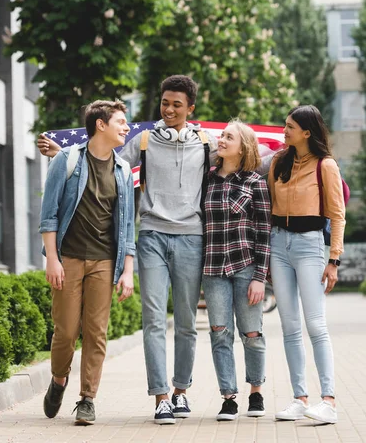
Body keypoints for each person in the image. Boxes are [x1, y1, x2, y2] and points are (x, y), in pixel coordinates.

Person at [38, 75, 275, 425]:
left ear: (190, 108)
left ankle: (181, 392)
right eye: (165, 103)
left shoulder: (206, 143)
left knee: (185, 323)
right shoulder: (144, 140)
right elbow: (103, 158)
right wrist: (61, 154)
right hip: (151, 237)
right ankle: (161, 397)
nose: (169, 109)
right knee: (152, 322)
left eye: (177, 104)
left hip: (192, 239)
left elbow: (242, 158)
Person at [39, 100, 135, 425]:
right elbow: (48, 214)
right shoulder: (66, 161)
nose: (126, 127)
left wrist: (128, 271)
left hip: (104, 261)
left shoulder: (123, 171)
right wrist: (52, 258)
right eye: (121, 121)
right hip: (68, 259)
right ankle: (59, 379)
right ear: (101, 125)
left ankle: (87, 399)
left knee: (96, 333)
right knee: (66, 331)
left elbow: (128, 227)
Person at [268, 105, 345, 424]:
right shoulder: (278, 161)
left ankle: (328, 400)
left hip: (310, 246)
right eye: (285, 125)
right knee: (289, 325)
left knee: (315, 324)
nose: (284, 131)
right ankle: (300, 397)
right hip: (278, 244)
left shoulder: (325, 165)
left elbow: (337, 214)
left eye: (289, 127)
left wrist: (334, 260)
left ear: (307, 132)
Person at [202, 119, 271, 421]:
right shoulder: (207, 179)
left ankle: (256, 392)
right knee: (220, 333)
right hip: (213, 267)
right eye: (222, 135)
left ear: (243, 147)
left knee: (251, 333)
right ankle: (228, 397)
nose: (222, 140)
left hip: (246, 267)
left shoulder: (255, 182)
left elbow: (265, 232)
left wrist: (260, 278)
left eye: (229, 137)